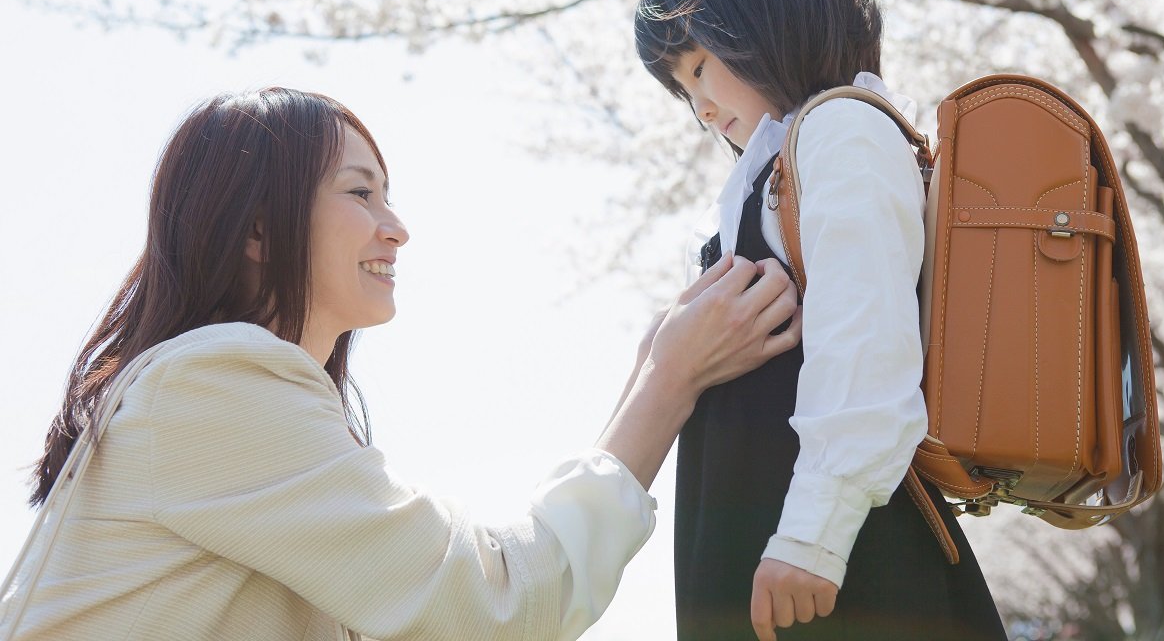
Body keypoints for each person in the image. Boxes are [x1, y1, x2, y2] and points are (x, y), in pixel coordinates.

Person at [0, 87, 803, 641]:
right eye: (360, 193)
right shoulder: (213, 382)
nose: (396, 228)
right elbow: (493, 604)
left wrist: (652, 370)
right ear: (256, 231)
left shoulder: (216, 398)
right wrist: (666, 385)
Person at [633, 0, 1006, 641]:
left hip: (830, 558)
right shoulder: (778, 163)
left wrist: (814, 536)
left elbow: (866, 345)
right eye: (682, 89)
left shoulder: (841, 130)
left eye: (700, 65)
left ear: (766, 16)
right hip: (769, 534)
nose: (701, 107)